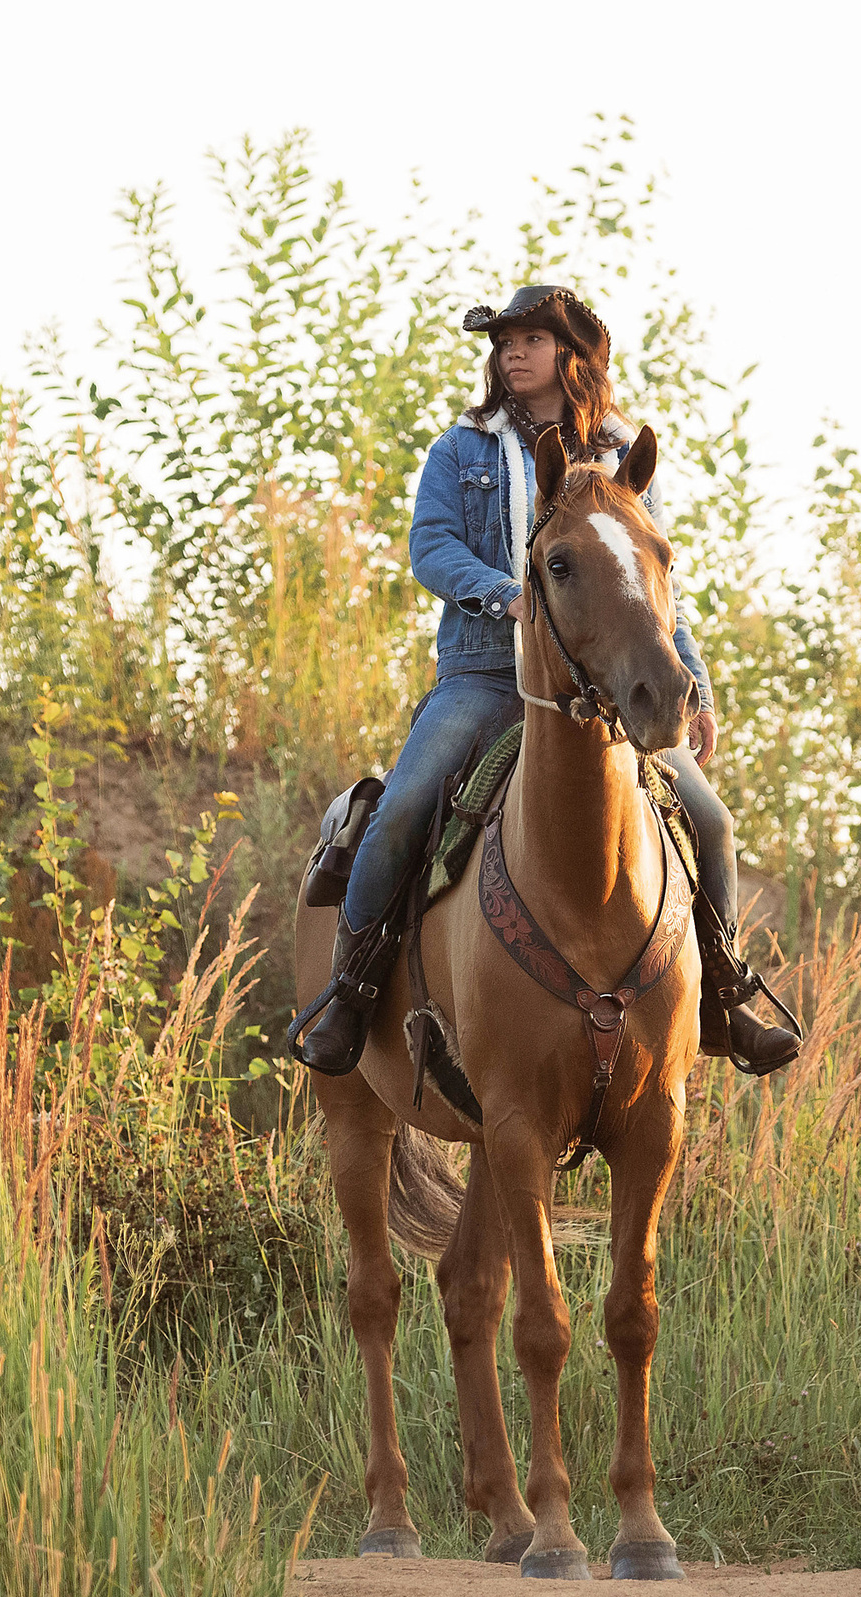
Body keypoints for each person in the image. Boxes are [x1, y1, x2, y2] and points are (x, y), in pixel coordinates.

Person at [293, 284, 801, 1080]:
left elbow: (652, 588)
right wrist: (510, 593)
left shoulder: (623, 452)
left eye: (530, 339)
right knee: (399, 813)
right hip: (487, 675)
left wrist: (691, 680)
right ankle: (350, 994)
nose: (511, 353)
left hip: (606, 682)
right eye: (504, 343)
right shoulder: (461, 450)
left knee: (713, 821)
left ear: (573, 356)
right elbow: (430, 546)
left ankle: (726, 995)